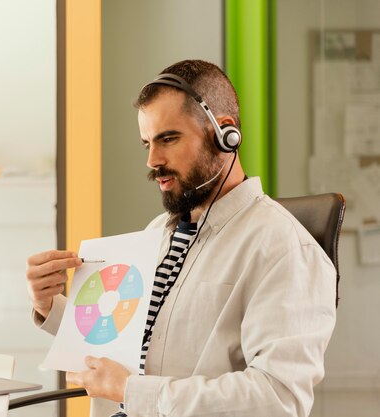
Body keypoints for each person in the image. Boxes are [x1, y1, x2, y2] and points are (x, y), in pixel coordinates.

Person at [25, 59, 336, 417]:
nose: (153, 160)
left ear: (225, 133)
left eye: (168, 139)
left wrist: (131, 391)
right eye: (147, 144)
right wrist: (50, 305)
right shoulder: (159, 232)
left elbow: (279, 399)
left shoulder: (284, 248)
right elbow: (117, 341)